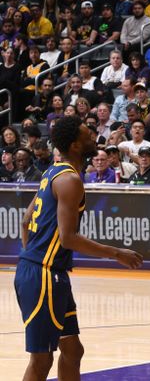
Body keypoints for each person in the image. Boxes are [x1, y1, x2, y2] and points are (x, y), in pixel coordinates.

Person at [16, 117, 142, 381]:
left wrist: (34, 259)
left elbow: (26, 222)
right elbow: (68, 239)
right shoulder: (69, 180)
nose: (93, 137)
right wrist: (117, 253)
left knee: (73, 350)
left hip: (50, 273)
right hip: (44, 275)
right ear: (74, 145)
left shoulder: (53, 171)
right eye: (87, 135)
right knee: (42, 359)